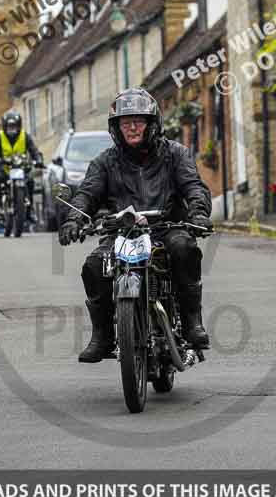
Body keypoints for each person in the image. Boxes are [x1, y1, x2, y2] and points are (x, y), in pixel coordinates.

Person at [59, 88, 213, 363]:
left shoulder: (175, 154)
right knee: (95, 266)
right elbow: (87, 194)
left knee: (184, 249)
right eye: (124, 122)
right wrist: (74, 218)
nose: (131, 127)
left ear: (152, 124)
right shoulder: (104, 162)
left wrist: (198, 213)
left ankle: (192, 322)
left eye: (138, 120)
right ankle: (102, 336)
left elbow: (194, 187)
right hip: (122, 231)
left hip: (167, 226)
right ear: (115, 128)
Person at [0, 110, 43, 225]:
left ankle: (30, 211)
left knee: (31, 182)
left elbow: (34, 150)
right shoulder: (0, 137)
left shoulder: (24, 135)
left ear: (19, 126)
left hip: (21, 169)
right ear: (4, 126)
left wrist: (38, 160)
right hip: (5, 169)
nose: (12, 129)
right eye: (9, 127)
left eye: (14, 126)